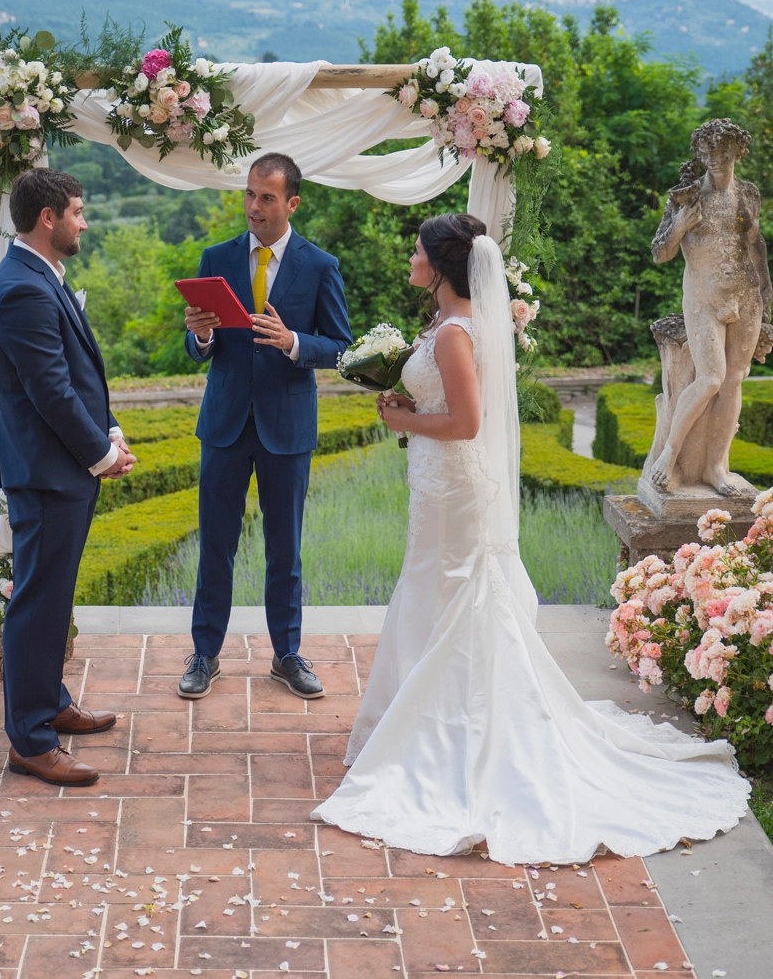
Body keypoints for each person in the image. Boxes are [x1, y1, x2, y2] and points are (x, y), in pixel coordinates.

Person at [311, 213, 751, 864]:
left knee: (453, 593)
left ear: (439, 266)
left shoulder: (455, 333)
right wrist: (408, 420)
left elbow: (465, 421)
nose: (409, 258)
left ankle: (450, 733)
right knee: (432, 592)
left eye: (416, 251)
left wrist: (406, 417)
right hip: (436, 486)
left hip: (454, 489)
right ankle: (425, 721)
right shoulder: (439, 324)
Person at [0, 168, 137, 787]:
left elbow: (76, 375)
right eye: (77, 210)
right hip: (48, 474)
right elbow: (49, 392)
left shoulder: (38, 277)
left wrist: (111, 431)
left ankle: (52, 705)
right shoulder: (23, 289)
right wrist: (101, 456)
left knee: (51, 599)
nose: (83, 220)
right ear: (48, 218)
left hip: (59, 468)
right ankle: (30, 741)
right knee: (37, 605)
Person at [179, 153, 352, 700]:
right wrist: (201, 334)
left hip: (286, 426)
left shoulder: (320, 266)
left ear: (292, 202)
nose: (254, 207)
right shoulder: (216, 257)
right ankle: (204, 654)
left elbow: (342, 347)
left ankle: (288, 655)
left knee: (286, 549)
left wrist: (295, 342)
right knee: (217, 547)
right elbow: (197, 347)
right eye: (250, 195)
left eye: (267, 198)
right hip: (225, 424)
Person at [647, 118, 770, 494]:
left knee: (734, 381)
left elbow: (756, 248)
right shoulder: (686, 196)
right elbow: (660, 252)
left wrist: (767, 308)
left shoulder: (748, 194)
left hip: (746, 297)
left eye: (721, 151)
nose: (714, 159)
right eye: (707, 152)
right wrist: (680, 225)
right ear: (700, 154)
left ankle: (717, 467)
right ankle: (669, 454)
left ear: (737, 152)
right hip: (703, 297)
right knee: (711, 377)